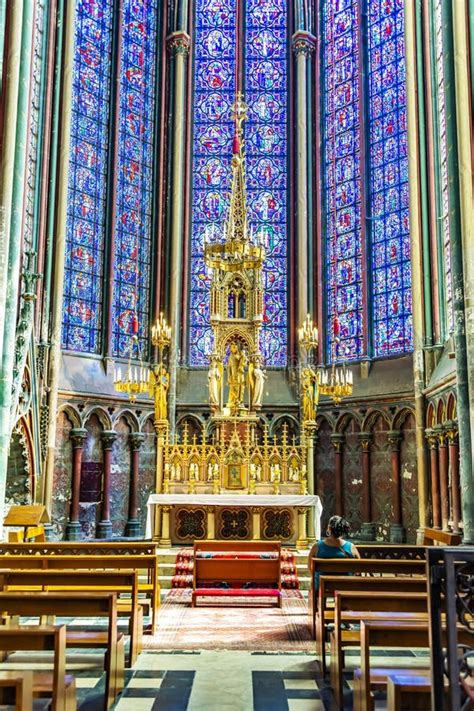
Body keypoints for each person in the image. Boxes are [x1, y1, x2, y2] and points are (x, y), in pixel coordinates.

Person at [307, 515, 360, 594]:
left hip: (322, 585)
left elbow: (310, 568)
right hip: (346, 585)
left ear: (329, 528)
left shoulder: (317, 547)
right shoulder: (351, 547)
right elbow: (359, 569)